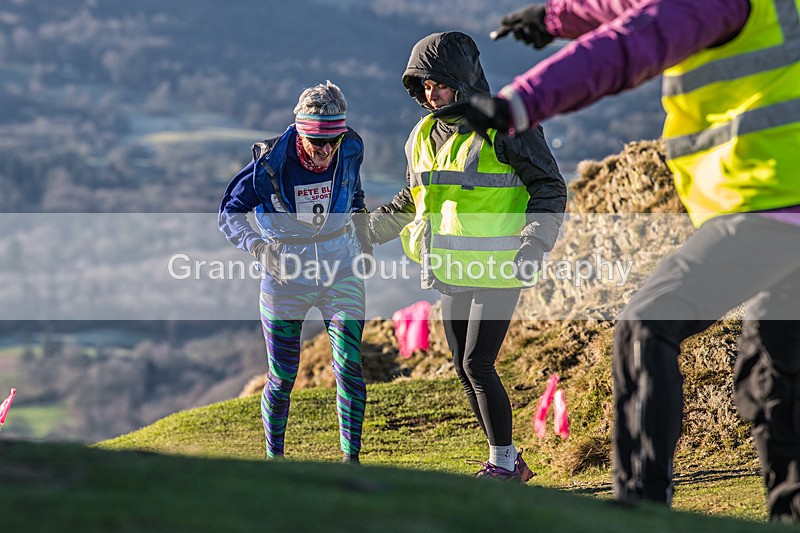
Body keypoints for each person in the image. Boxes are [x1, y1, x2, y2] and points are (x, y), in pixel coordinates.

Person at [441, 0, 800, 521]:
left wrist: (519, 103)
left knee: (645, 326)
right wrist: (556, 17)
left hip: (769, 208)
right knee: (773, 376)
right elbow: (635, 8)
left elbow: (633, 42)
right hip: (779, 210)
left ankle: (640, 508)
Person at [366, 32, 567, 481]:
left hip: (502, 264)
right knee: (462, 366)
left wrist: (534, 243)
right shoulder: (422, 134)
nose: (431, 95)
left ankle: (503, 464)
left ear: (463, 81)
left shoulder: (509, 126)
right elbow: (412, 198)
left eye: (439, 84)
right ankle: (508, 459)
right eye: (424, 86)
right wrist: (369, 231)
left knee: (478, 362)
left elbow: (549, 185)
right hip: (450, 265)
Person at [218, 81, 372, 464]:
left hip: (341, 271)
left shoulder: (351, 147)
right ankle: (275, 462)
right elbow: (229, 213)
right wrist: (258, 247)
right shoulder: (269, 164)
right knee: (284, 375)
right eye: (317, 141)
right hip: (285, 280)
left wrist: (361, 224)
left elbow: (354, 191)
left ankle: (351, 462)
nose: (326, 150)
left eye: (333, 141)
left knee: (349, 365)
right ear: (301, 132)